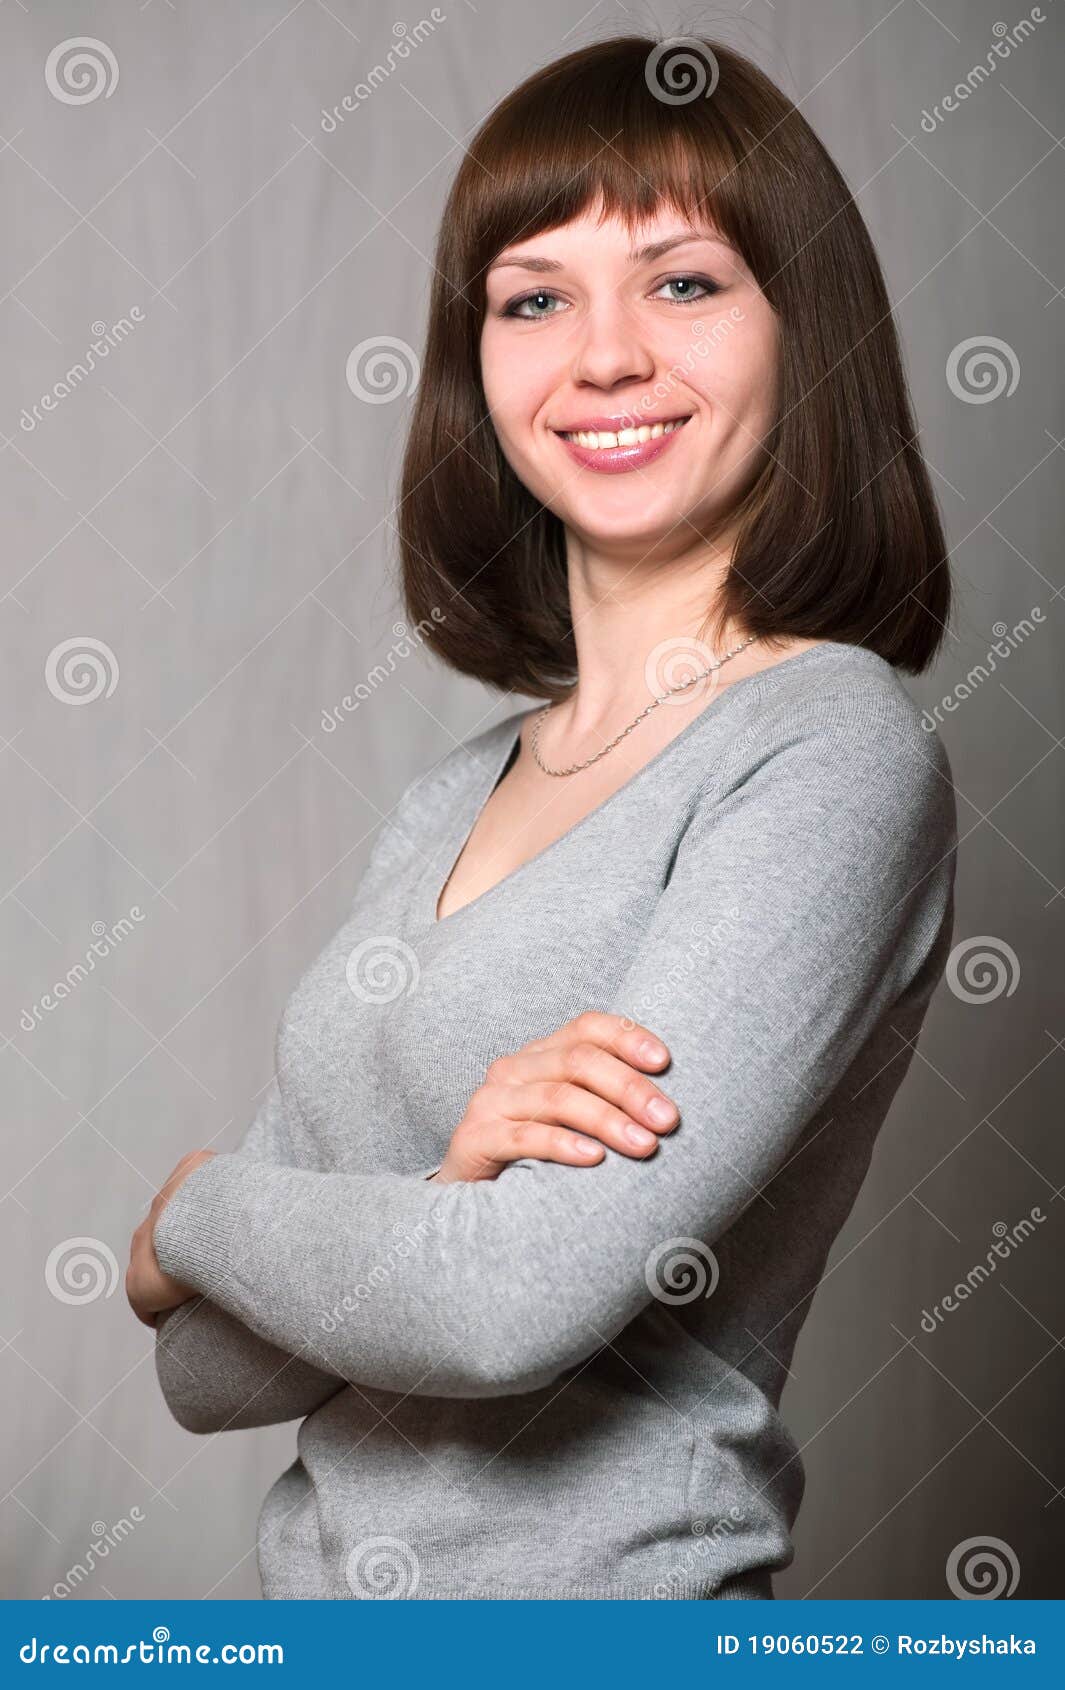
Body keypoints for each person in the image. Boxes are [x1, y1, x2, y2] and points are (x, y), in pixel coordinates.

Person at [128, 34, 957, 1601]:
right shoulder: (453, 794)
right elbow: (212, 1381)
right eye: (534, 296)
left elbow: (504, 1307)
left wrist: (189, 1212)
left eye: (684, 282)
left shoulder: (825, 747)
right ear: (480, 365)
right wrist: (441, 1192)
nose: (604, 355)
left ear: (805, 331)